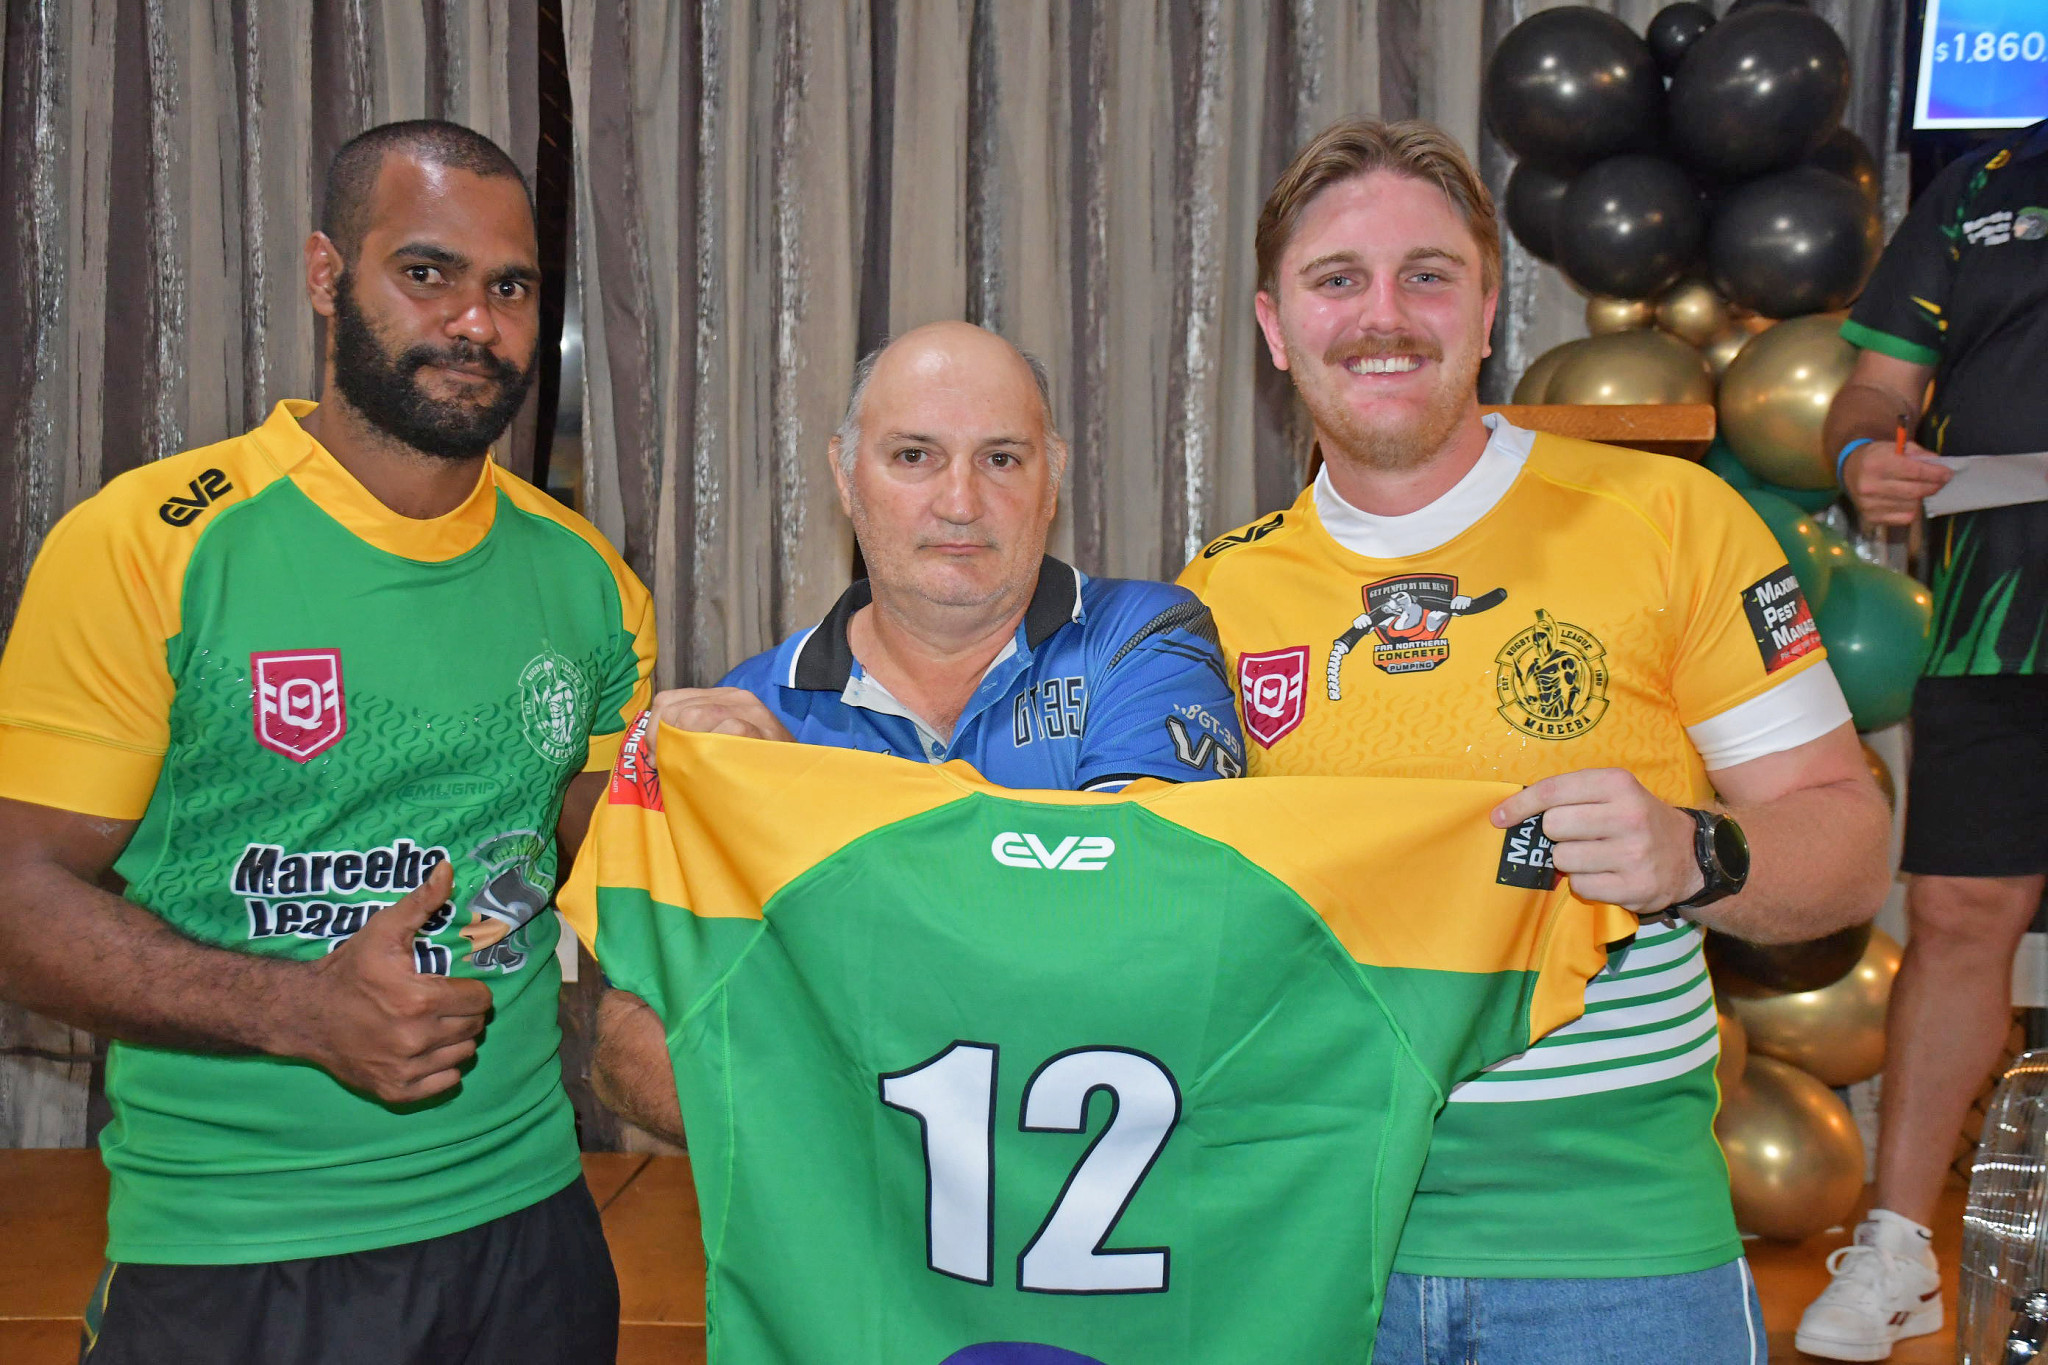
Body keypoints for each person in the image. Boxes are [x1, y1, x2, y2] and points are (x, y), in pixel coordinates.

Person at [1178, 118, 1893, 1365]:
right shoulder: (1214, 596)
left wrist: (1692, 855)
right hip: (1314, 1256)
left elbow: (1846, 848)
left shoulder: (1671, 520)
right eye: (1336, 280)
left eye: (1426, 275)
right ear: (1274, 327)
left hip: (1617, 1263)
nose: (1382, 315)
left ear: (1486, 311)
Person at [0, 120, 654, 1363]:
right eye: (427, 272)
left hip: (530, 1236)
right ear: (323, 274)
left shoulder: (589, 581)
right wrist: (300, 1011)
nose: (474, 322)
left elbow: (624, 860)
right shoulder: (151, 543)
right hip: (237, 1250)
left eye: (511, 288)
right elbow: (15, 894)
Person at [589, 320, 1244, 1141]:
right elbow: (631, 1047)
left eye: (1001, 458)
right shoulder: (748, 708)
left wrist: (795, 813)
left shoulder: (1145, 638)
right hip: (850, 1225)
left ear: (1052, 479)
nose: (960, 502)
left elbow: (1137, 926)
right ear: (844, 474)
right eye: (913, 456)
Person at [1798, 118, 2048, 1362]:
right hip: (1990, 621)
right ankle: (1898, 1250)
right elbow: (1873, 392)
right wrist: (1859, 455)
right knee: (1956, 912)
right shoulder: (1981, 185)